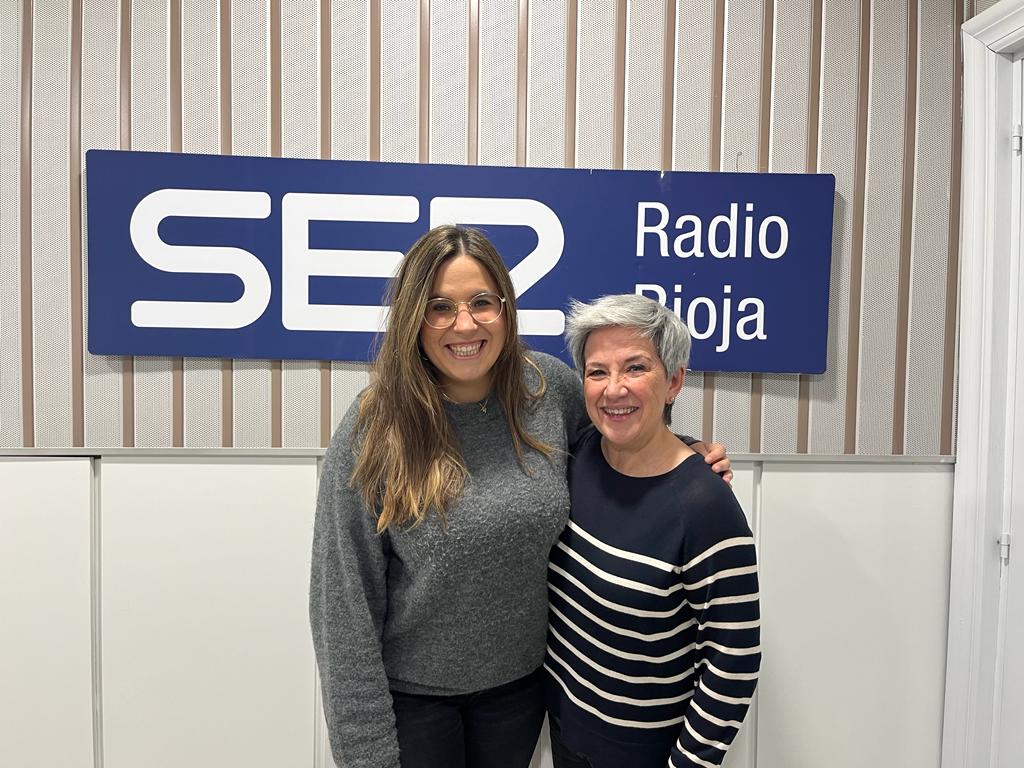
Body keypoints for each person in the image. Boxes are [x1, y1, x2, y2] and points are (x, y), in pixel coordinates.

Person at [309, 226, 731, 768]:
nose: (465, 324)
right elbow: (342, 608)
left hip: (520, 693)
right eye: (440, 307)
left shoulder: (548, 390)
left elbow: (622, 430)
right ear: (413, 318)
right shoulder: (375, 427)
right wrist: (364, 755)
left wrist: (688, 453)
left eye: (481, 302)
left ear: (506, 309)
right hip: (411, 702)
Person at [544, 293, 760, 768]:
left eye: (635, 368)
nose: (613, 389)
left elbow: (734, 660)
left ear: (674, 381)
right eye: (598, 371)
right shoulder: (577, 455)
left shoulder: (705, 506)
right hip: (565, 734)